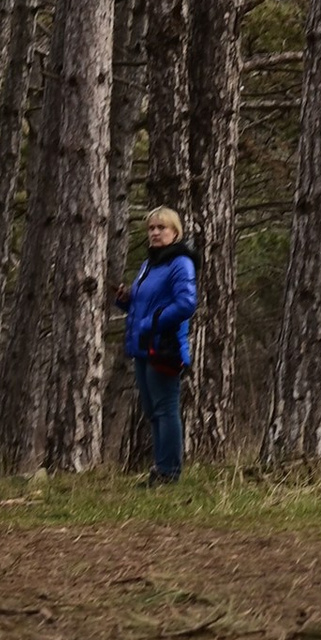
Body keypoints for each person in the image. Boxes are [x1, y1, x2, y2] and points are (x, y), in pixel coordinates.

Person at [124, 206, 197, 487]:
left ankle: (169, 473)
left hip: (164, 346)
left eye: (161, 228)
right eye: (151, 228)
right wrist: (126, 300)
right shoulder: (150, 264)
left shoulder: (181, 263)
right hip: (143, 345)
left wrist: (153, 322)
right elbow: (145, 302)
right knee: (153, 410)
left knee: (166, 408)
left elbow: (187, 303)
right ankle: (160, 468)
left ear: (175, 232)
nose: (155, 233)